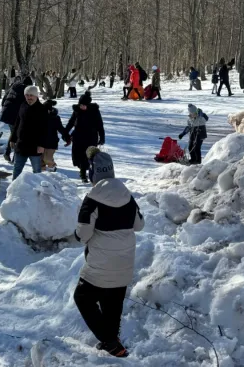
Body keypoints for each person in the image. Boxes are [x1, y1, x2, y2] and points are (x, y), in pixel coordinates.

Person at [73, 147, 145, 358]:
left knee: (82, 298)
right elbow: (139, 225)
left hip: (100, 264)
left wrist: (78, 236)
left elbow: (83, 233)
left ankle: (110, 341)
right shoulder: (127, 195)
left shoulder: (92, 198)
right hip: (125, 262)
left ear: (93, 173)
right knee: (112, 303)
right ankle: (115, 346)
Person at [66, 91, 105, 182]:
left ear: (88, 104)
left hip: (91, 137)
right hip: (78, 136)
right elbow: (71, 122)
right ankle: (82, 173)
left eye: (84, 105)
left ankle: (88, 174)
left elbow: (100, 125)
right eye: (81, 105)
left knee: (89, 157)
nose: (82, 107)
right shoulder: (77, 110)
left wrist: (102, 137)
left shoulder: (94, 111)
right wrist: (65, 133)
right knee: (79, 156)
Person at [9, 86, 46, 180]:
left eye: (31, 95)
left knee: (37, 170)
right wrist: (13, 139)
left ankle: (38, 192)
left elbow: (45, 129)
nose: (29, 97)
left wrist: (41, 145)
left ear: (36, 96)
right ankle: (13, 191)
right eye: (27, 95)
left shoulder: (42, 109)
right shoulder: (23, 105)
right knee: (17, 169)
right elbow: (17, 122)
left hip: (35, 146)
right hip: (21, 144)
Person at [0, 76, 33, 163]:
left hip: (7, 113)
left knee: (14, 134)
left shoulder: (13, 87)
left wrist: (4, 109)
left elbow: (4, 100)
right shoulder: (26, 91)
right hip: (16, 116)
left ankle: (7, 153)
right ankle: (15, 157)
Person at [41, 99, 70, 172]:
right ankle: (42, 175)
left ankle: (52, 167)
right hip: (40, 142)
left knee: (47, 159)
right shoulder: (38, 116)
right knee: (40, 160)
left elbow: (61, 129)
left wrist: (67, 138)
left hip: (51, 142)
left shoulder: (55, 118)